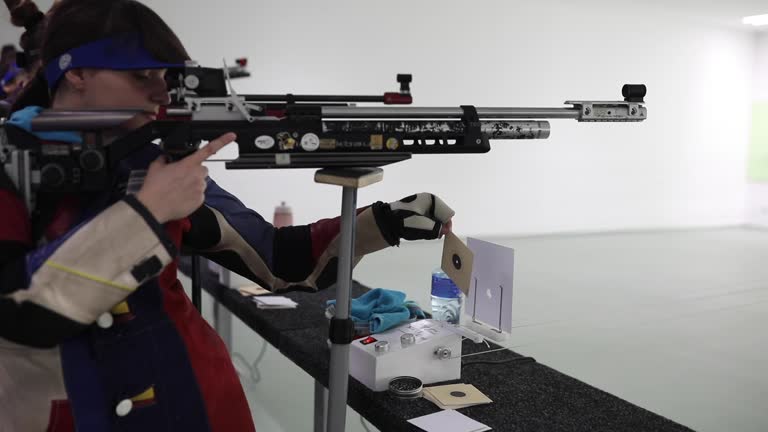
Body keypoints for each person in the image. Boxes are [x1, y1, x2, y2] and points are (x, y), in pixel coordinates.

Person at [0, 0, 454, 431]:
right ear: (76, 73)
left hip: (194, 405)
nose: (162, 93)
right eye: (142, 76)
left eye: (166, 76)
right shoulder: (12, 164)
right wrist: (150, 210)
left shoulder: (148, 161)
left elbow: (280, 260)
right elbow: (19, 315)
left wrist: (387, 222)